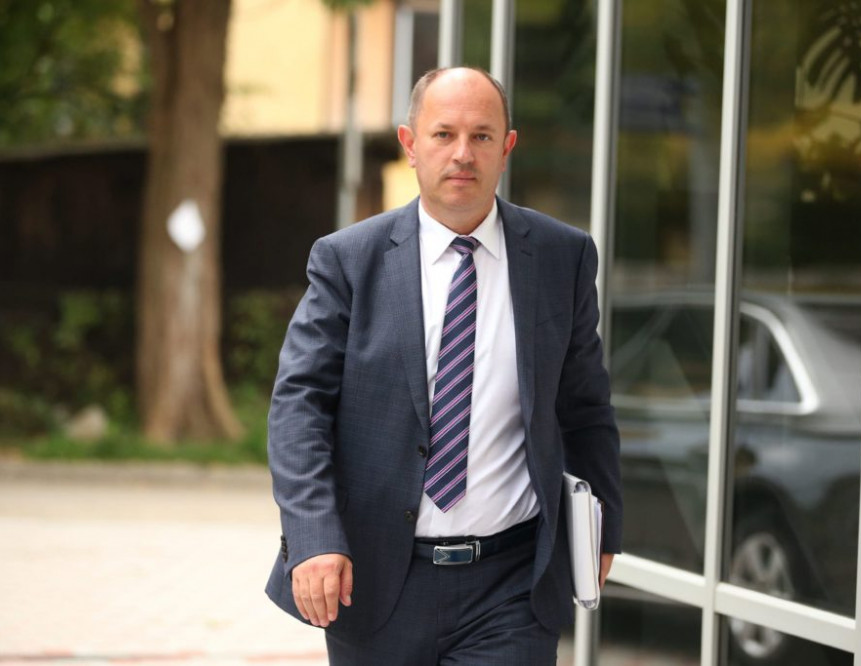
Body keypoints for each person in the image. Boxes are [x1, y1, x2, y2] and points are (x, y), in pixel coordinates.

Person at [265, 66, 622, 665]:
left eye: (482, 136)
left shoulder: (562, 257)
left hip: (511, 586)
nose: (463, 154)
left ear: (507, 147)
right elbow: (299, 406)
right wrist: (314, 535)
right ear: (410, 144)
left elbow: (585, 406)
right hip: (375, 579)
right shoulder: (349, 260)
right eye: (443, 134)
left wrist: (603, 524)